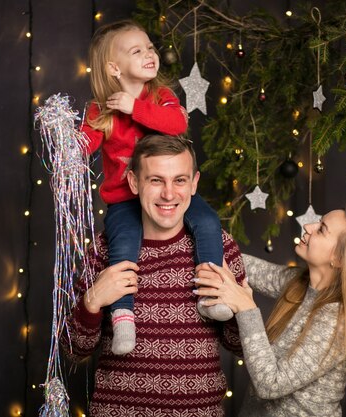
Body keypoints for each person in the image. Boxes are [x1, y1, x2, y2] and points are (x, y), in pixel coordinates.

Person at [61, 134, 245, 416]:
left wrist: (239, 307)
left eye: (179, 180)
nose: (169, 194)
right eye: (156, 180)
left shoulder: (221, 248)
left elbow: (239, 347)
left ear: (194, 183)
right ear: (134, 182)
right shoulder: (104, 248)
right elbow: (74, 350)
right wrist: (92, 301)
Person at [82, 19, 230, 355]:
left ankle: (210, 293)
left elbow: (176, 123)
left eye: (150, 47)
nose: (150, 54)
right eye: (138, 51)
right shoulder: (100, 108)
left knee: (207, 223)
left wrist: (135, 107)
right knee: (123, 248)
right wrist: (65, 139)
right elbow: (84, 146)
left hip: (166, 197)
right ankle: (122, 316)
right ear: (113, 67)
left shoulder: (160, 96)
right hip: (123, 200)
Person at [193, 207, 346, 417]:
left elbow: (270, 385)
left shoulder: (338, 322)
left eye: (321, 229)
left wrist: (246, 307)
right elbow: (241, 264)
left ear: (339, 258)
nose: (308, 226)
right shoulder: (300, 283)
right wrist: (203, 232)